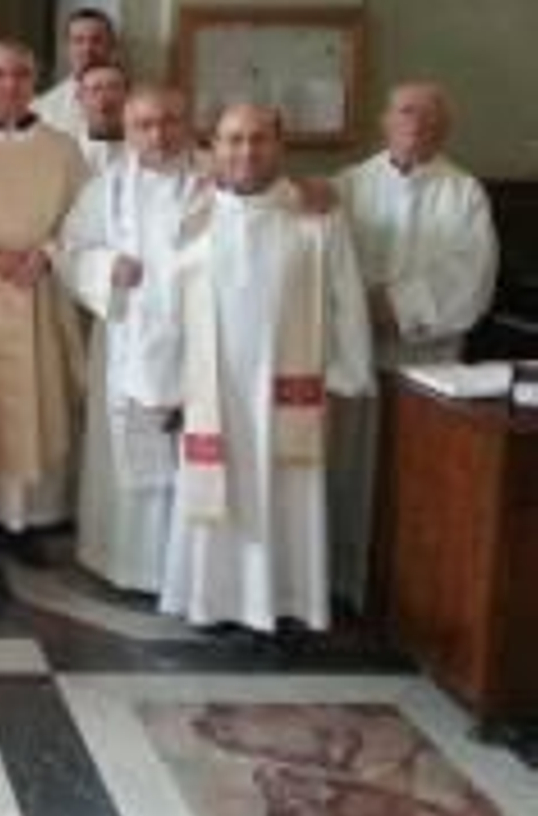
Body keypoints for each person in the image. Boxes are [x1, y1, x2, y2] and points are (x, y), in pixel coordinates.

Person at [161, 104, 373, 636]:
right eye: (233, 139)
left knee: (285, 494)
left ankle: (285, 600)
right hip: (214, 390)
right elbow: (166, 304)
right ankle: (210, 600)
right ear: (214, 147)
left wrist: (348, 376)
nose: (246, 151)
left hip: (288, 389)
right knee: (215, 490)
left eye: (259, 139)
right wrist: (168, 385)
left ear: (280, 146)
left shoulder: (317, 216)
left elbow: (347, 298)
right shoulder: (194, 214)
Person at [328, 82, 497, 608]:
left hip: (424, 364)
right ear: (385, 120)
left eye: (429, 116)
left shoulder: (463, 192)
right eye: (405, 111)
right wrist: (354, 308)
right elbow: (320, 258)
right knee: (349, 474)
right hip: (354, 357)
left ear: (444, 128)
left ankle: (404, 593)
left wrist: (396, 307)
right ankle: (339, 582)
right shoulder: (348, 185)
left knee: (414, 484)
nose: (415, 123)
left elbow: (471, 277)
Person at [0, 42, 88, 555]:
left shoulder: (64, 149)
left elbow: (85, 222)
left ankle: (28, 516)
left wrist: (47, 254)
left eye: (19, 74)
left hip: (37, 293)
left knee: (36, 402)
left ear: (35, 82)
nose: (7, 84)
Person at [58, 86, 207, 592]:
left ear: (189, 124)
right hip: (126, 337)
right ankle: (121, 560)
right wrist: (105, 268)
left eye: (169, 121)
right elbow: (72, 248)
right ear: (127, 130)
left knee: (190, 456)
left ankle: (185, 569)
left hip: (197, 347)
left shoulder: (216, 181)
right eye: (144, 125)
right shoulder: (107, 186)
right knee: (125, 454)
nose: (158, 134)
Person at [34, 7, 119, 138]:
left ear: (111, 45)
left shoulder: (136, 103)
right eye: (78, 41)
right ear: (66, 48)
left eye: (96, 40)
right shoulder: (43, 108)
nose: (87, 49)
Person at [75, 60, 130, 173]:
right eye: (95, 89)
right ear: (80, 98)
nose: (104, 97)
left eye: (113, 88)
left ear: (128, 95)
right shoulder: (67, 152)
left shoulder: (145, 153)